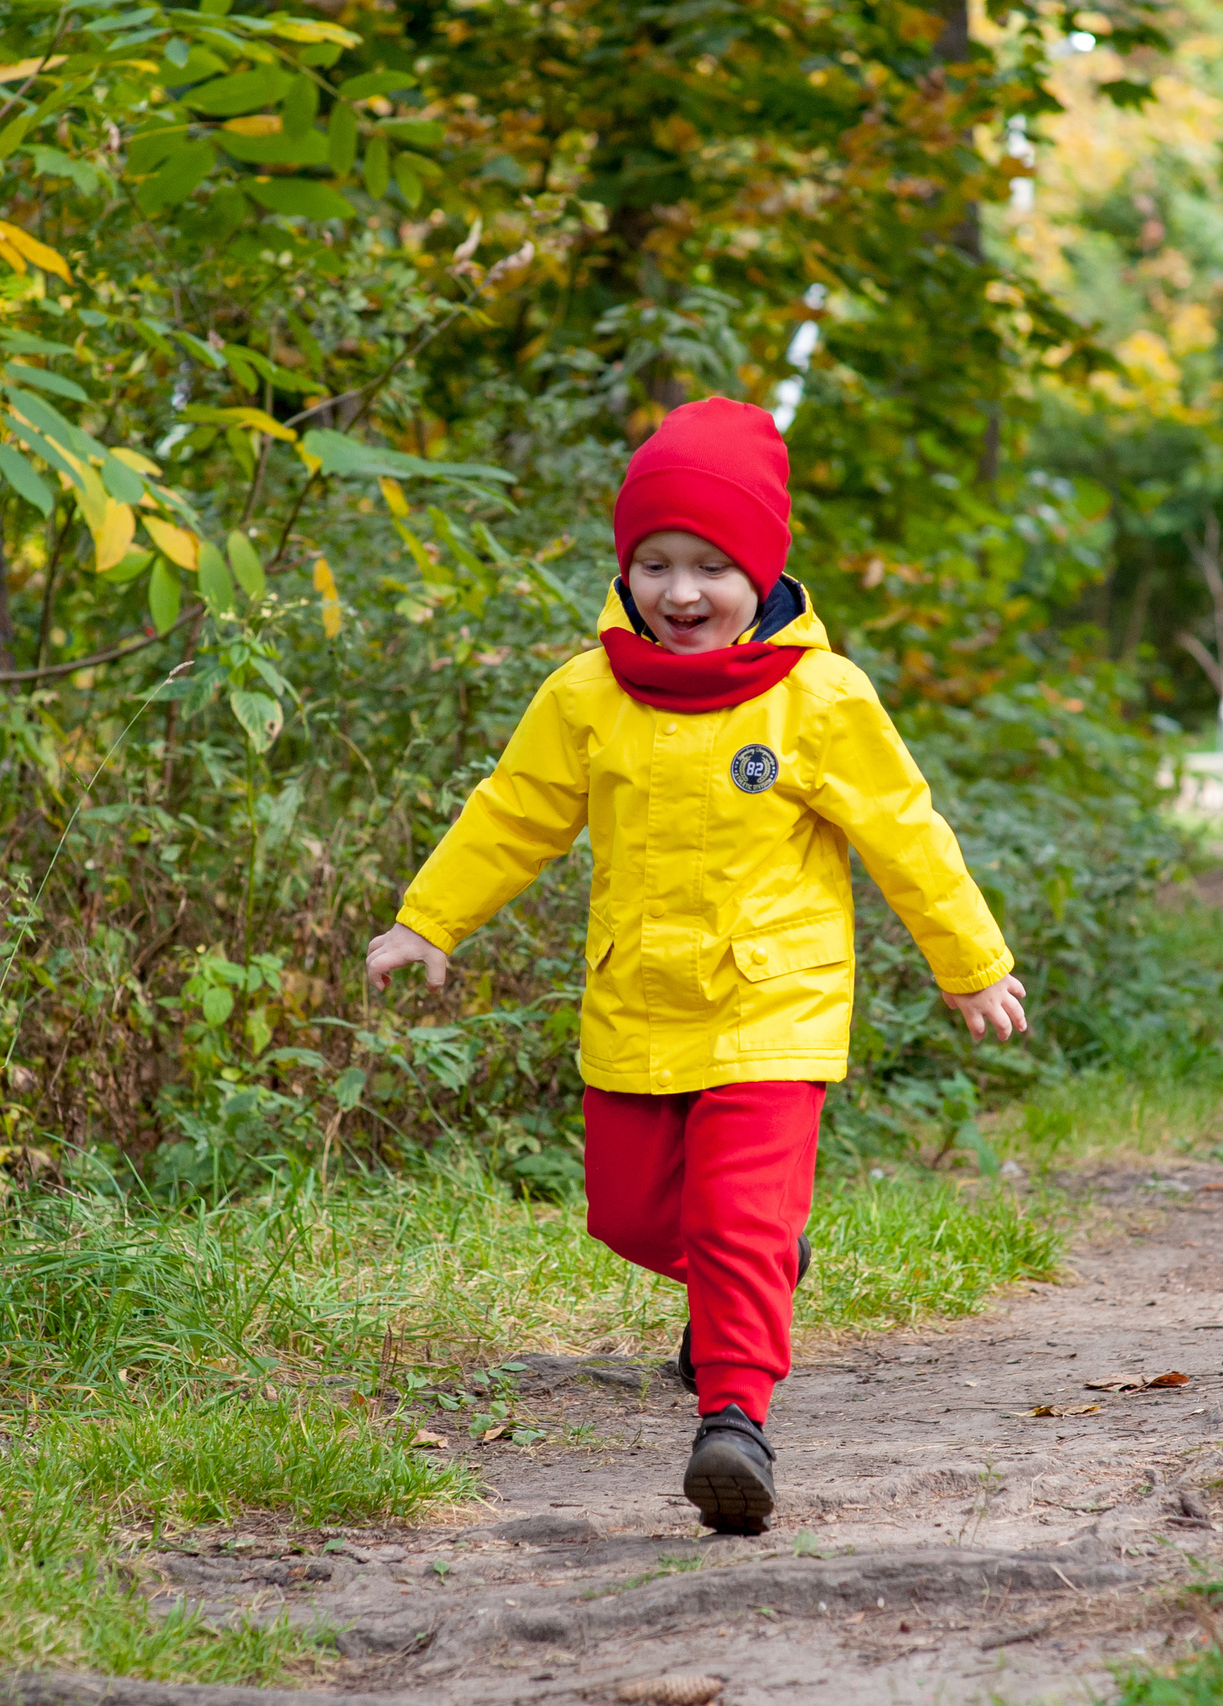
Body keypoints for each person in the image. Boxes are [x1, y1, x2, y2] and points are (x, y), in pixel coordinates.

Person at [365, 398, 1027, 1535]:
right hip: (639, 996)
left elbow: (904, 834)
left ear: (761, 571)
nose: (681, 592)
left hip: (775, 1000)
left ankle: (734, 1420)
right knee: (624, 1213)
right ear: (624, 571)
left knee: (731, 1216)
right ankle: (759, 1265)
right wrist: (430, 919)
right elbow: (514, 813)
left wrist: (968, 963)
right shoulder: (585, 694)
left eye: (711, 566)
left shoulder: (818, 695)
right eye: (654, 563)